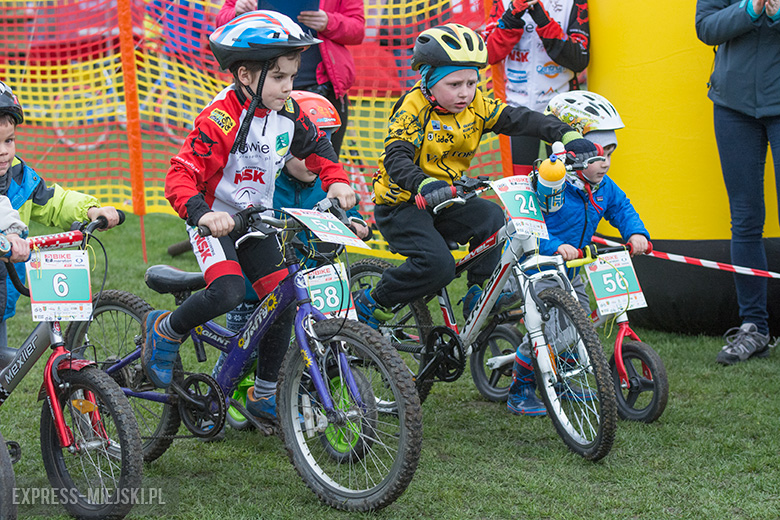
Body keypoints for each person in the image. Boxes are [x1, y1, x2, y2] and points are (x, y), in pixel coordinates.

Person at [142, 11, 357, 423]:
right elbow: (179, 175)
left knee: (283, 301)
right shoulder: (221, 118)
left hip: (256, 223)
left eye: (292, 76)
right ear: (245, 74)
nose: (289, 87)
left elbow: (318, 148)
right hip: (214, 220)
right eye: (279, 77)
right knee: (228, 292)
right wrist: (204, 216)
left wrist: (337, 180)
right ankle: (166, 328)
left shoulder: (289, 112)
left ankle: (264, 392)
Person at [351, 23, 597, 329]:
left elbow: (520, 119)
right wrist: (424, 183)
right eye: (454, 84)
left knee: (493, 219)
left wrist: (566, 134)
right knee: (438, 267)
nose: (465, 93)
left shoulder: (476, 104)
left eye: (471, 82)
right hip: (403, 204)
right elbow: (397, 157)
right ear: (427, 78)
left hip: (447, 198)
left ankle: (478, 295)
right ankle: (373, 300)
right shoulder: (412, 108)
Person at [506, 90, 650, 416]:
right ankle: (521, 388)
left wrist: (636, 232)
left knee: (578, 322)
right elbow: (528, 224)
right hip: (540, 268)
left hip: (572, 269)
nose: (607, 163)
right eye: (599, 155)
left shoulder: (601, 185)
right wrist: (555, 245)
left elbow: (621, 207)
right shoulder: (547, 185)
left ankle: (563, 379)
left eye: (611, 153)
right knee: (549, 331)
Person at [0, 80, 120, 349]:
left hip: (4, 293)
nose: (3, 151)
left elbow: (53, 200)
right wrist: (10, 233)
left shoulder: (20, 178)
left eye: (9, 140)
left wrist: (91, 210)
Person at [696, 0, 780, 365]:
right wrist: (750, 8)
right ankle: (754, 328)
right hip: (733, 107)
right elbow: (706, 28)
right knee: (745, 219)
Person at [216, 0, 365, 155]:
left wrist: (329, 22)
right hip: (261, 89)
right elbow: (221, 22)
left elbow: (358, 29)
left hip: (321, 89)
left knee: (320, 162)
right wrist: (237, 12)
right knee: (253, 158)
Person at [484, 0, 589, 176]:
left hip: (562, 108)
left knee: (567, 183)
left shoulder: (573, 2)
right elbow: (490, 53)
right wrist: (512, 15)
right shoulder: (502, 2)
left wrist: (543, 20)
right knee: (520, 185)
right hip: (517, 108)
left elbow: (578, 59)